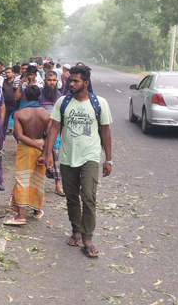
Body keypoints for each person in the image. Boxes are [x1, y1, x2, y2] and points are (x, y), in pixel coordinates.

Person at [43, 66, 113, 258]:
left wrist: (109, 159)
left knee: (88, 196)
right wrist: (47, 153)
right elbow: (54, 127)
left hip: (90, 156)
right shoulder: (62, 102)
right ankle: (76, 231)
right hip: (67, 156)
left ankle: (88, 238)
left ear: (86, 83)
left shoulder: (100, 103)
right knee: (72, 197)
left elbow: (105, 131)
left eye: (75, 81)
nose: (71, 83)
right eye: (70, 80)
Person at [5, 85, 50, 226]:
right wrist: (42, 149)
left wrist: (34, 144)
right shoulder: (46, 114)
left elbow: (19, 135)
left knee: (22, 179)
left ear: (24, 96)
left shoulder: (19, 114)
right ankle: (37, 211)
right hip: (41, 146)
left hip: (25, 148)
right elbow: (50, 136)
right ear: (39, 97)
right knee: (37, 179)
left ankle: (20, 215)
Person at [40, 71, 65, 197]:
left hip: (55, 133)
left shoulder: (60, 97)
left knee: (57, 159)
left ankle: (58, 186)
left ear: (57, 81)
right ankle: (38, 187)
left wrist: (61, 134)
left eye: (54, 80)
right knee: (40, 158)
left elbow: (63, 118)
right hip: (40, 132)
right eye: (49, 80)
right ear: (45, 81)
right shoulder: (39, 94)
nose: (51, 83)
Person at [1, 67, 19, 137]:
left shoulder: (16, 82)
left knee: (17, 123)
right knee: (4, 123)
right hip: (5, 105)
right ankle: (2, 139)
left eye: (9, 72)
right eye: (6, 73)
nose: (7, 74)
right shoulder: (3, 82)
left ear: (13, 73)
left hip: (15, 105)